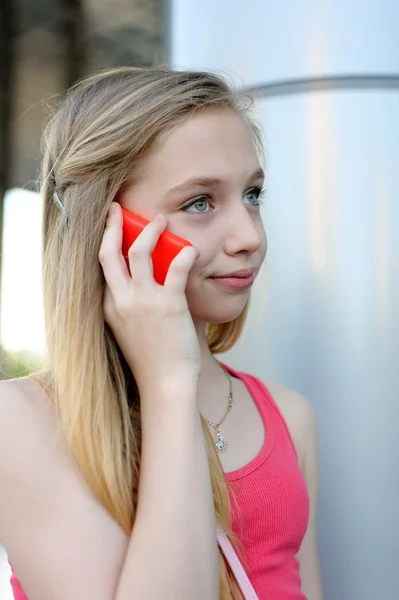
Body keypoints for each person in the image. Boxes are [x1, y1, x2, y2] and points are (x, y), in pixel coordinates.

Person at [0, 67, 322, 600]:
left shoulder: (290, 418)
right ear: (105, 229)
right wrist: (170, 383)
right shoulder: (24, 422)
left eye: (253, 194)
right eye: (200, 202)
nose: (249, 235)